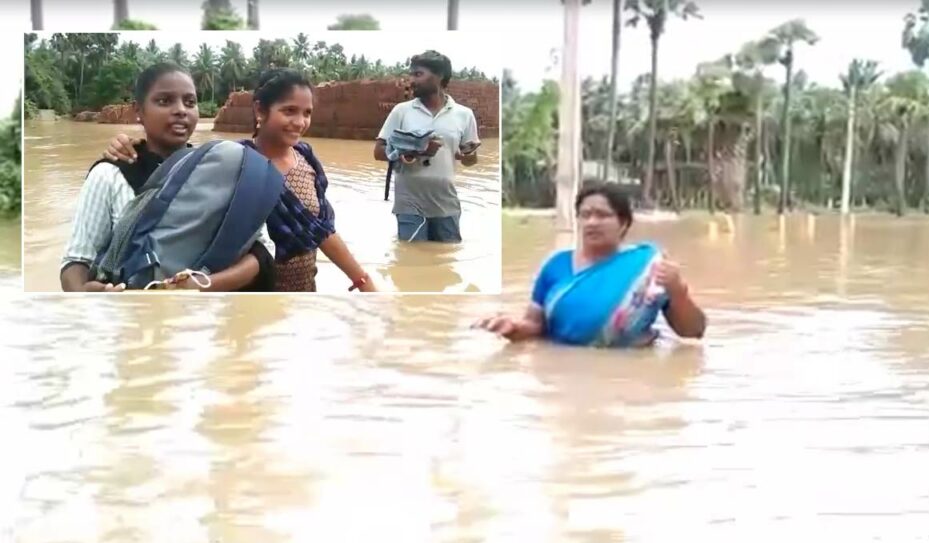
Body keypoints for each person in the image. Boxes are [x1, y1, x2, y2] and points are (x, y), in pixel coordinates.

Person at [101, 69, 377, 293]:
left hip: (305, 292)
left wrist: (362, 280)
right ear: (260, 110)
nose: (300, 122)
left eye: (306, 113)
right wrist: (129, 146)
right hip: (252, 296)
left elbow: (323, 230)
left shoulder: (306, 157)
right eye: (289, 110)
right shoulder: (237, 164)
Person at [61, 62, 276, 292]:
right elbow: (76, 262)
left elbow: (262, 250)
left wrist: (200, 287)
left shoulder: (224, 170)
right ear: (139, 111)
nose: (181, 110)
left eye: (190, 102)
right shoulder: (110, 175)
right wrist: (84, 297)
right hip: (131, 316)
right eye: (164, 101)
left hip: (209, 316)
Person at [474, 183, 707, 347]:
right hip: (567, 371)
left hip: (631, 377)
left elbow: (693, 332)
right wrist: (512, 327)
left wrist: (678, 291)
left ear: (624, 223)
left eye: (602, 215)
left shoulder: (648, 267)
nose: (592, 222)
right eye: (585, 215)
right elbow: (535, 326)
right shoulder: (556, 266)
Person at [373, 50, 481, 244]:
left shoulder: (464, 115)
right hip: (409, 205)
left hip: (446, 204)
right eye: (412, 74)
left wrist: (468, 155)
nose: (412, 80)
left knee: (446, 264)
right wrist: (417, 151)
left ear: (439, 77)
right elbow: (378, 151)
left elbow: (470, 162)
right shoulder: (402, 111)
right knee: (412, 262)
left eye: (418, 74)